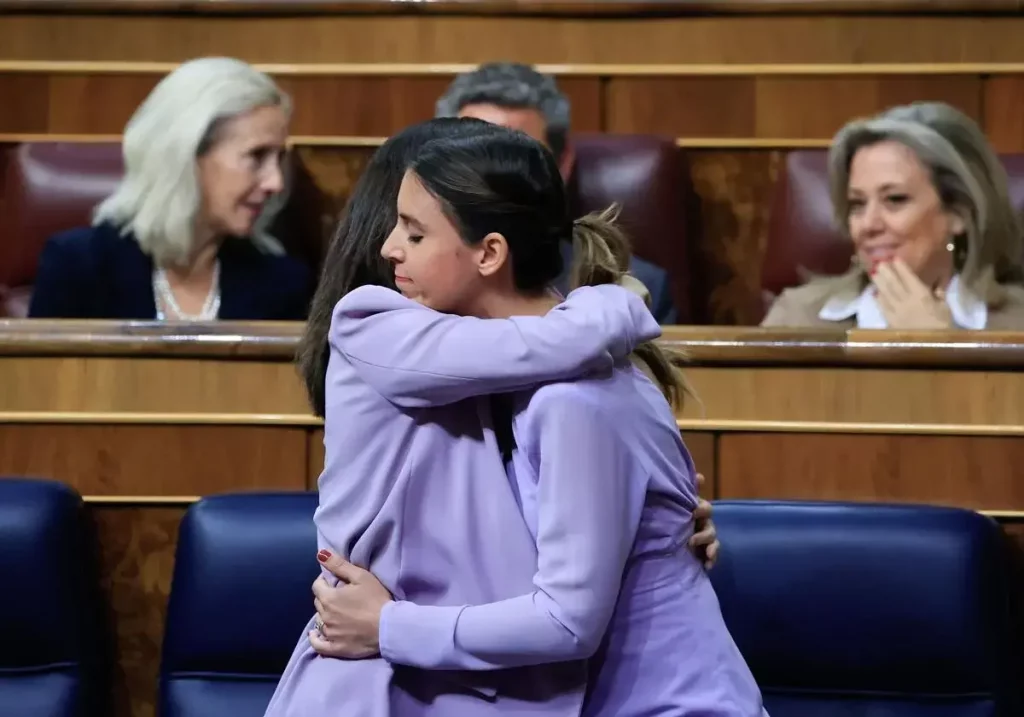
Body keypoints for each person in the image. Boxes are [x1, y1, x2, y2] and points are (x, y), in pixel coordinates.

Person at [267, 117, 718, 716]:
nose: (392, 247)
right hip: (378, 679)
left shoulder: (563, 395)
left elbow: (569, 604)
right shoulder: (376, 326)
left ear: (489, 249)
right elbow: (538, 345)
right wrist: (614, 307)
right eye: (398, 223)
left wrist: (652, 528)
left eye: (416, 230)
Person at [28, 57, 313, 321]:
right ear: (185, 156)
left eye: (279, 159)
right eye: (257, 156)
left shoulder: (284, 284)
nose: (276, 182)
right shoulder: (78, 267)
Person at [436, 61, 679, 323]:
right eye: (473, 155)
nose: (492, 177)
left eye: (519, 157)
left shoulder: (632, 290)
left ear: (562, 164)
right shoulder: (405, 276)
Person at [762, 103, 1024, 329]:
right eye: (857, 204)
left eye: (895, 200)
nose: (868, 224)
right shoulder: (796, 317)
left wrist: (942, 349)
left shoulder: (1016, 323)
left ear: (958, 212)